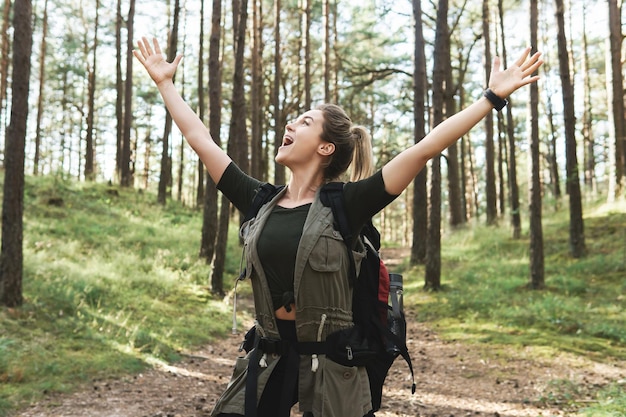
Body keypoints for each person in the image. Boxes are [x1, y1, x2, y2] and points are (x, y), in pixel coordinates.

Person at [133, 37, 543, 417]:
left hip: (332, 364)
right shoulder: (259, 200)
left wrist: (490, 99)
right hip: (268, 357)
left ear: (326, 147)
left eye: (304, 122)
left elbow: (424, 150)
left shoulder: (348, 203)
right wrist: (166, 84)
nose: (290, 125)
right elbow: (199, 137)